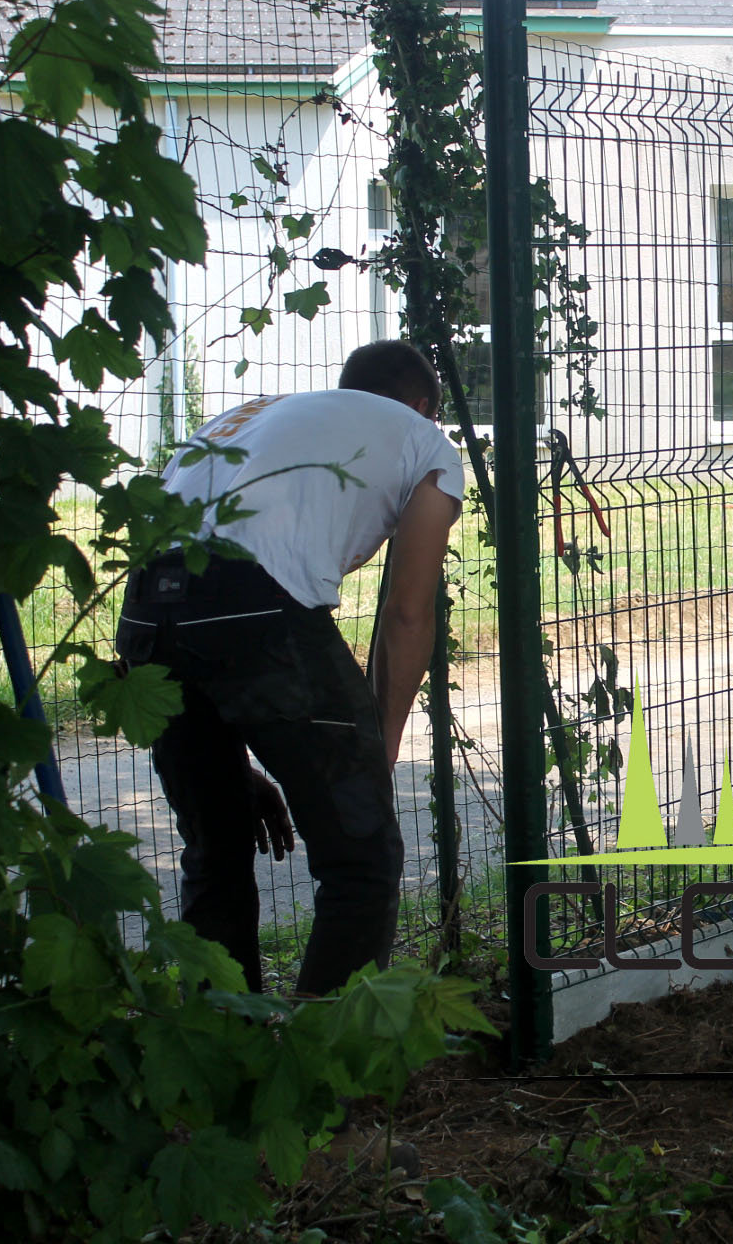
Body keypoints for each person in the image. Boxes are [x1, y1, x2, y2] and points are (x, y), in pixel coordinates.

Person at [116, 340, 464, 992]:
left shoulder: (253, 415)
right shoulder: (423, 441)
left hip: (144, 615)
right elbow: (408, 613)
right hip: (256, 612)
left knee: (213, 852)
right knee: (362, 859)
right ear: (422, 407)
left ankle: (223, 1051)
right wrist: (376, 747)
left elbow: (190, 599)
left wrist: (239, 756)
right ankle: (323, 1067)